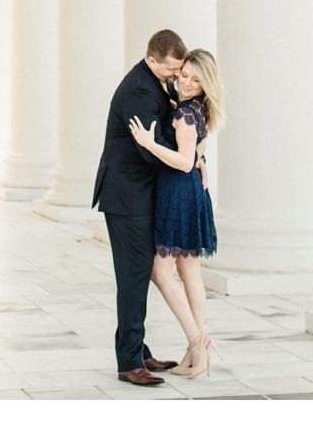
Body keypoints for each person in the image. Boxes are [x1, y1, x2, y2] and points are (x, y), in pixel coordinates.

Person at [92, 29, 188, 386]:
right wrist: (185, 158)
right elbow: (150, 148)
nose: (176, 76)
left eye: (179, 70)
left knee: (137, 273)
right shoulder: (139, 90)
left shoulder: (154, 82)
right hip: (126, 195)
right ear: (152, 60)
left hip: (136, 193)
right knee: (132, 277)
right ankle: (129, 363)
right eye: (171, 69)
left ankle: (138, 350)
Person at [129, 48, 226, 379]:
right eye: (184, 74)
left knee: (160, 271)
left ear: (205, 84)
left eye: (195, 80)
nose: (185, 82)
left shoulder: (184, 114)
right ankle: (196, 354)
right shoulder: (197, 109)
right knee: (190, 272)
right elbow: (196, 154)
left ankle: (198, 341)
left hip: (178, 196)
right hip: (190, 193)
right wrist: (200, 160)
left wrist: (149, 142)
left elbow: (184, 162)